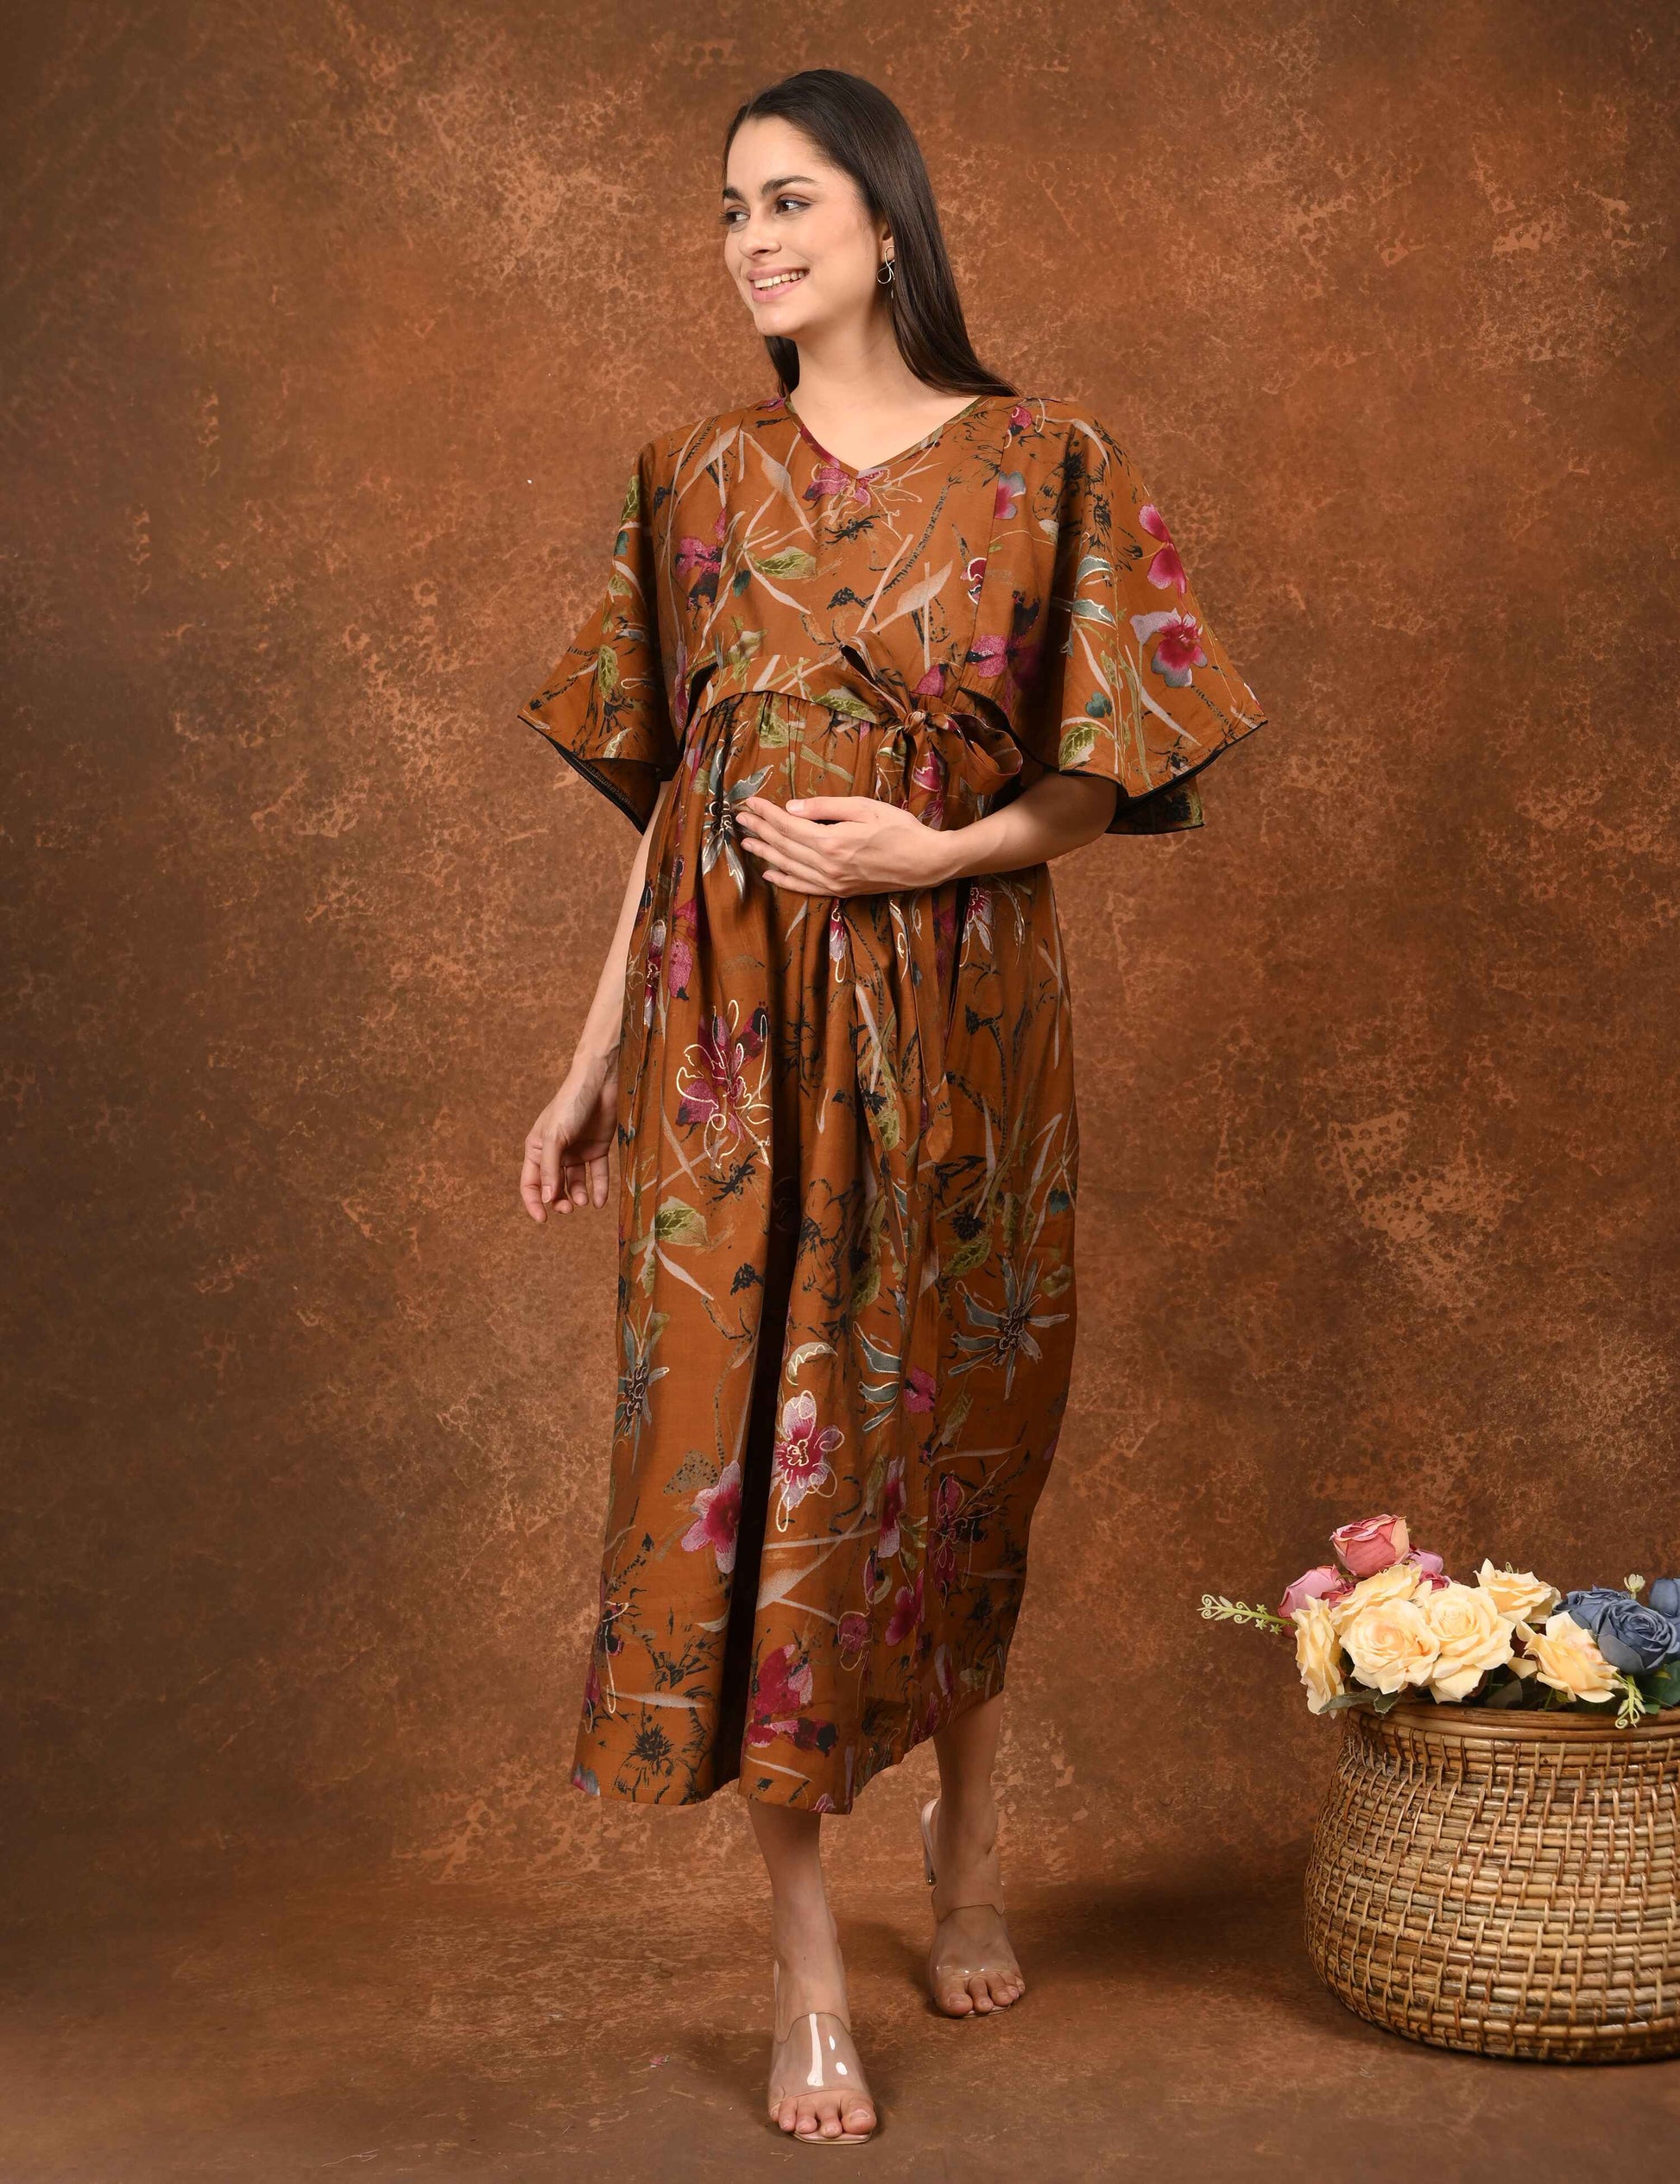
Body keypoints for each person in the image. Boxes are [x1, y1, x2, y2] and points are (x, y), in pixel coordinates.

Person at [516, 67, 1266, 2147]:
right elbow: (673, 808)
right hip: (723, 1058)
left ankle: (970, 1836)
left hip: (958, 1036)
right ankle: (805, 1968)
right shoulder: (690, 476)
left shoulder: (1048, 462)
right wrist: (585, 1066)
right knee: (745, 1464)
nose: (751, 240)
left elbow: (1100, 779)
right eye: (728, 210)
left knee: (949, 1443)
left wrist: (931, 856)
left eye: (788, 201)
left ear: (885, 221)